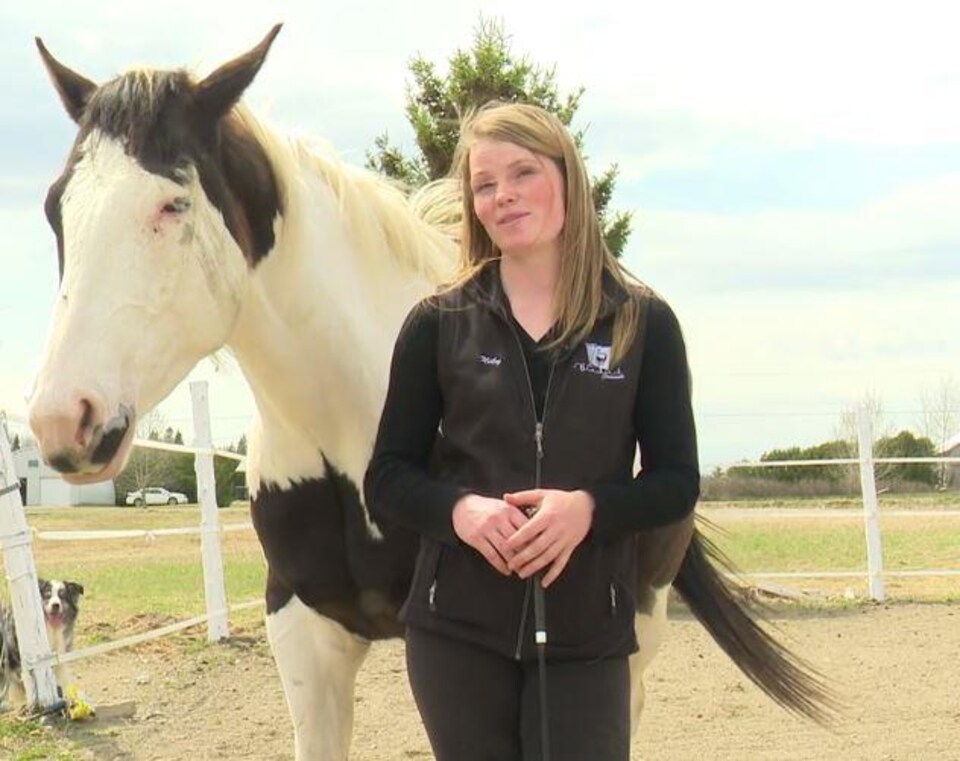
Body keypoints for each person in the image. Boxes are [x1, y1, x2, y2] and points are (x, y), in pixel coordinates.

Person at [364, 101, 699, 761]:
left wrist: (589, 510)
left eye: (522, 173)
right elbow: (387, 477)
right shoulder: (438, 321)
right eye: (485, 184)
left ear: (567, 180)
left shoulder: (642, 323)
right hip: (455, 634)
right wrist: (460, 511)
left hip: (588, 636)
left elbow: (675, 483)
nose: (503, 195)